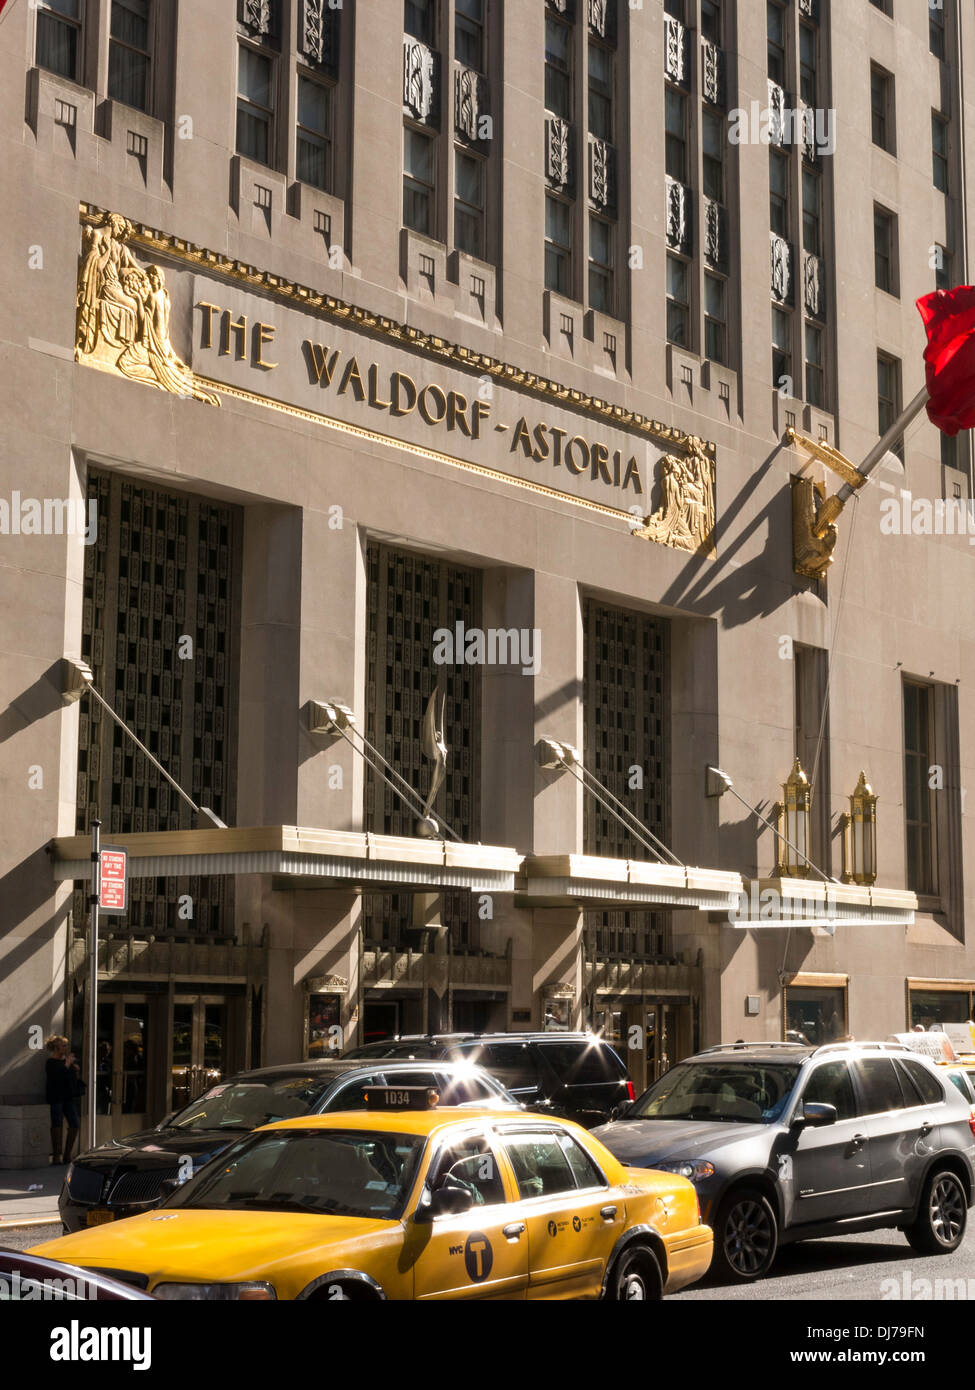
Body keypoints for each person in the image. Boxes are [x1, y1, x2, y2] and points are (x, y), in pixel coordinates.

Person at [44, 1035, 84, 1165]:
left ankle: (67, 1155)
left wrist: (76, 1072)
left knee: (74, 1124)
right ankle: (56, 1155)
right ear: (56, 1047)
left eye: (67, 1045)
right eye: (64, 1045)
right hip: (56, 1097)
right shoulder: (50, 1062)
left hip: (68, 1098)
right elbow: (55, 1077)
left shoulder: (67, 1062)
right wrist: (67, 1064)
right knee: (57, 1124)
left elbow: (71, 1078)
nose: (66, 1048)